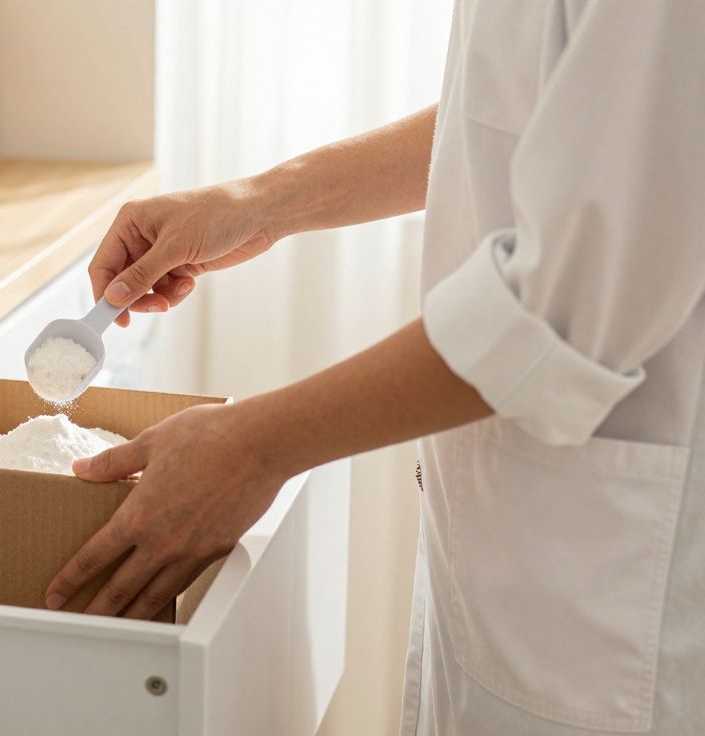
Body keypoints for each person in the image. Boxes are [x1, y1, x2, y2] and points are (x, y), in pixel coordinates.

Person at [45, 1, 704, 734]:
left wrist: (253, 447)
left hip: (613, 607)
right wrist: (261, 203)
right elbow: (523, 111)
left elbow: (562, 308)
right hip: (513, 561)